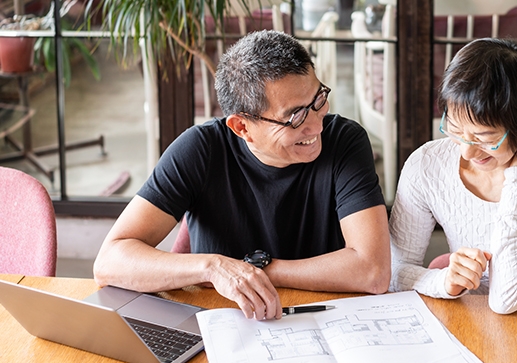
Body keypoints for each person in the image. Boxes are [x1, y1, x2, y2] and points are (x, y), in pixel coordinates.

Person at [94, 30, 390, 320]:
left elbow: (373, 271)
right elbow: (110, 262)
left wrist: (256, 270)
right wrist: (211, 267)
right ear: (242, 127)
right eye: (296, 116)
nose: (316, 126)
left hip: (322, 319)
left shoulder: (345, 142)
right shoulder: (201, 149)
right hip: (223, 322)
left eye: (318, 100)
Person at [388, 38, 517, 314]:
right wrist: (444, 281)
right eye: (454, 128)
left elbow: (506, 299)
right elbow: (392, 273)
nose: (466, 152)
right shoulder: (427, 165)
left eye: (485, 138)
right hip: (482, 324)